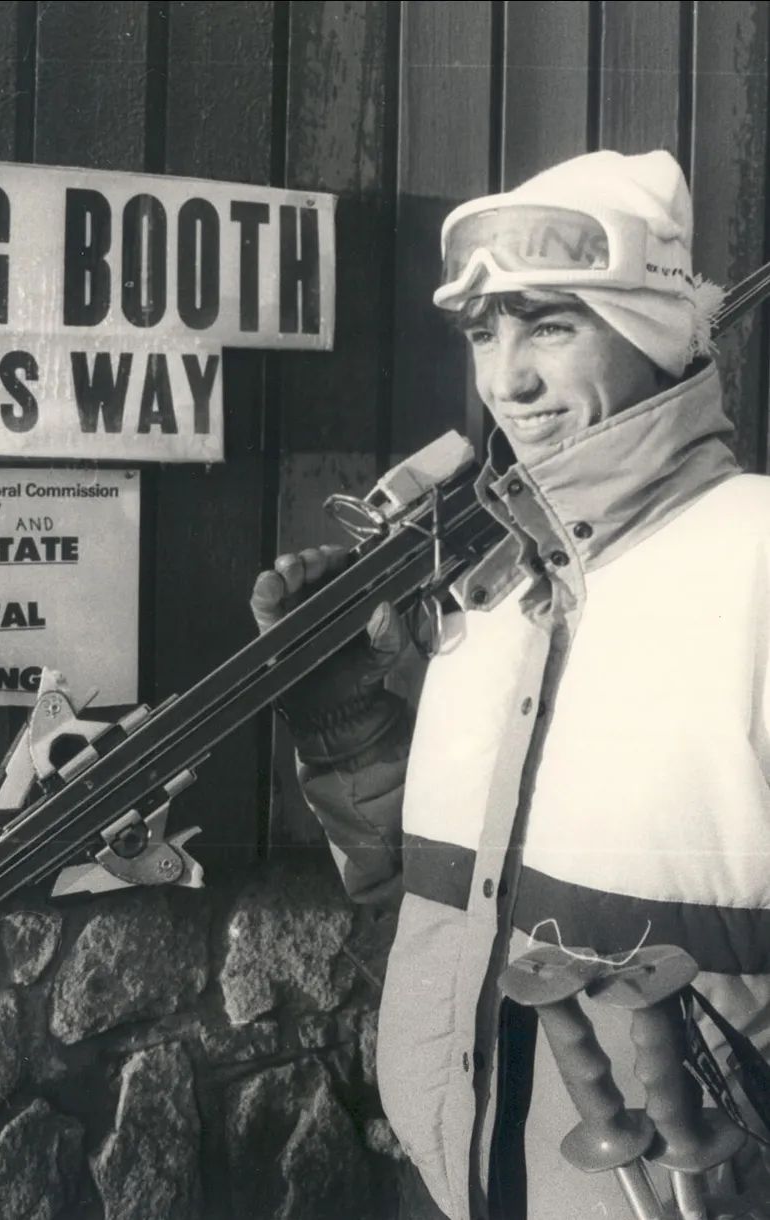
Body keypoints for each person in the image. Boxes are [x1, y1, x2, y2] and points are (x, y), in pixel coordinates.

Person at [251, 149, 770, 1220]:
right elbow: (431, 888)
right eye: (482, 334)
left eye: (547, 324)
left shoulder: (755, 563)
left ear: (654, 330)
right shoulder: (491, 591)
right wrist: (346, 717)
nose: (504, 380)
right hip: (472, 1176)